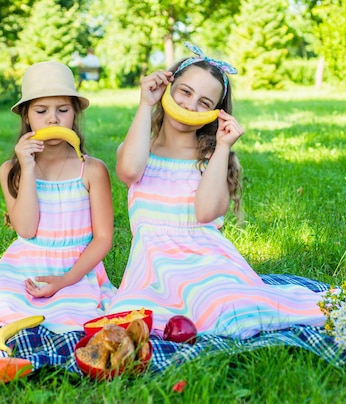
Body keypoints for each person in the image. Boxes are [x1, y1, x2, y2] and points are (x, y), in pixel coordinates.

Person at [108, 43, 326, 339]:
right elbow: (129, 171)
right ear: (167, 88)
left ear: (214, 114)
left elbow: (206, 213)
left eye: (204, 102)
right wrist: (146, 104)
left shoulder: (209, 158)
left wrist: (223, 147)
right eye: (184, 92)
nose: (190, 105)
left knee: (227, 310)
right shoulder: (139, 150)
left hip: (207, 261)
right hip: (153, 267)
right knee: (134, 320)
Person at [0, 61, 115, 333]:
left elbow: (104, 238)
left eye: (63, 110)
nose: (53, 119)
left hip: (76, 270)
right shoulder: (10, 171)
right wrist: (27, 168)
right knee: (0, 308)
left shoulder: (92, 170)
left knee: (73, 318)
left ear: (74, 114)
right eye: (41, 111)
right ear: (26, 116)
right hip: (24, 267)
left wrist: (65, 280)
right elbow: (26, 229)